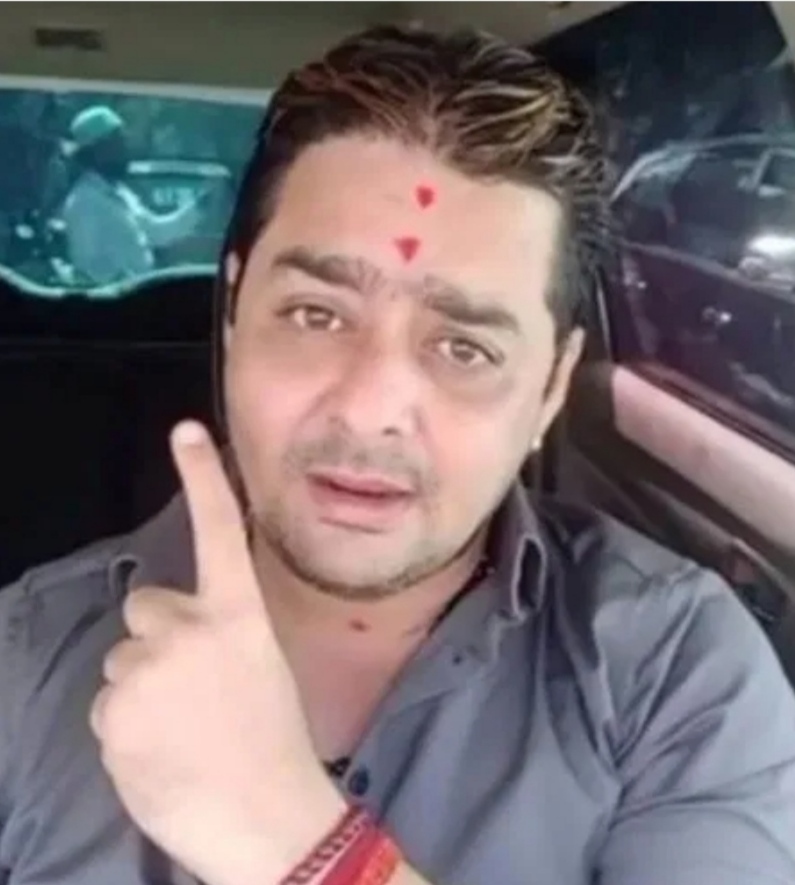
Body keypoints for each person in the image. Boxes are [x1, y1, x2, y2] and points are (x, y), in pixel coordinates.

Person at [1, 25, 794, 885]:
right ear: (232, 314)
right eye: (315, 314)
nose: (369, 408)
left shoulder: (676, 670)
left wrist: (297, 844)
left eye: (464, 348)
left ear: (551, 386)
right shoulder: (21, 661)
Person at [61, 105, 204, 286]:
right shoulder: (83, 202)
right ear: (98, 150)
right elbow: (86, 266)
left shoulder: (121, 194)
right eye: (118, 143)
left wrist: (201, 207)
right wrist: (122, 283)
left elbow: (157, 232)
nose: (125, 151)